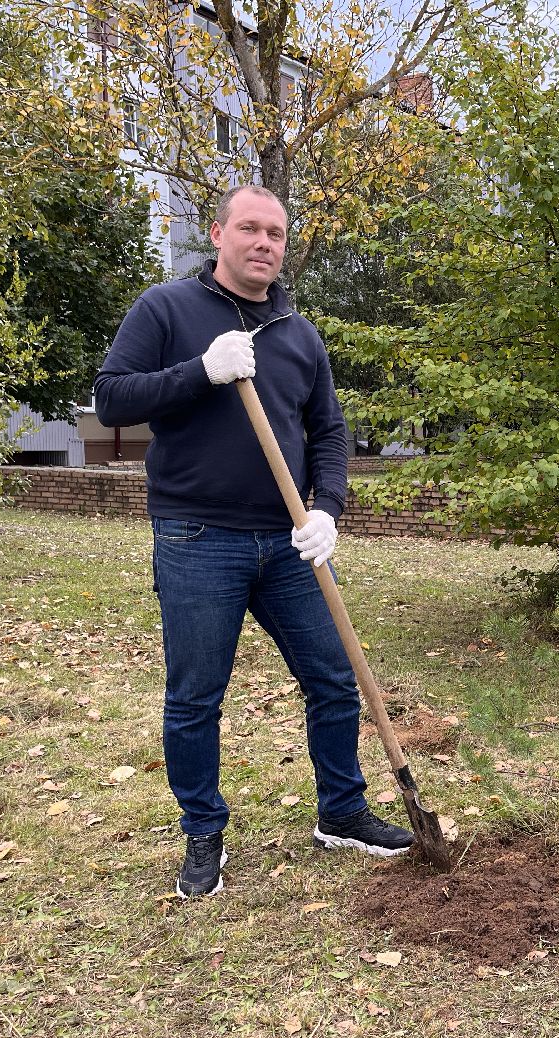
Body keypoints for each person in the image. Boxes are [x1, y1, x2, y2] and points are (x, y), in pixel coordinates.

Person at [95, 184, 413, 900]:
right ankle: (203, 829)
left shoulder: (299, 334)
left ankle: (342, 811)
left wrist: (326, 507)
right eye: (250, 229)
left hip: (288, 540)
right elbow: (113, 395)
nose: (264, 243)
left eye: (276, 233)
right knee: (197, 696)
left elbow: (328, 430)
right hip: (196, 536)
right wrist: (200, 371)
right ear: (218, 234)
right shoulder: (166, 309)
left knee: (333, 678)